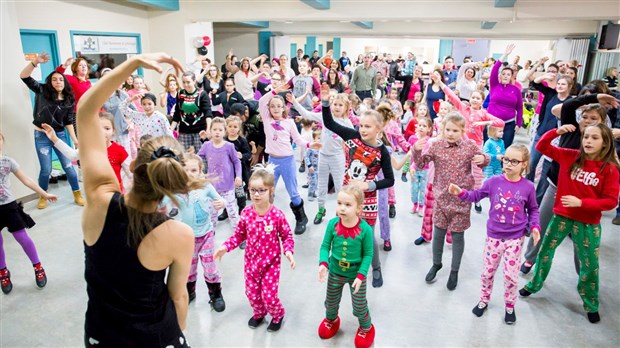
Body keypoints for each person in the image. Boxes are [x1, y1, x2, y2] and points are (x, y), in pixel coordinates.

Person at [77, 52, 195, 347]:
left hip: (101, 335)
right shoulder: (179, 234)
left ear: (132, 166)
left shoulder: (98, 200)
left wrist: (131, 64)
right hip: (154, 338)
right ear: (171, 184)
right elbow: (178, 296)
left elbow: (85, 110)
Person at [520, 124, 620, 324]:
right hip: (561, 217)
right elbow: (542, 146)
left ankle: (590, 303)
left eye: (594, 138)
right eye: (586, 137)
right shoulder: (570, 156)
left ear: (605, 142)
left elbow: (611, 201)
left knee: (590, 265)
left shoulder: (609, 169)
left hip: (588, 223)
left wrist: (582, 203)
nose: (588, 141)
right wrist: (556, 132)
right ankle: (534, 285)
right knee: (545, 252)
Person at [449, 144, 540, 325]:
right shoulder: (493, 182)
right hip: (494, 237)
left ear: (524, 164)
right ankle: (484, 299)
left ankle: (510, 305)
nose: (508, 164)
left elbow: (533, 209)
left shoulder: (528, 187)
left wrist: (535, 227)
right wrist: (461, 193)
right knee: (488, 272)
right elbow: (475, 196)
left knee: (511, 276)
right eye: (506, 159)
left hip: (515, 238)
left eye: (514, 161)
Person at [321, 83, 395, 288]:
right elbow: (329, 123)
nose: (362, 129)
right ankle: (343, 271)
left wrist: (368, 185)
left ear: (379, 129)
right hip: (347, 198)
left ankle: (376, 268)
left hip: (367, 202)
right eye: (361, 125)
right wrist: (325, 102)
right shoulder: (352, 136)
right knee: (343, 231)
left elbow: (390, 180)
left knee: (367, 238)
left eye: (367, 126)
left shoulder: (383, 152)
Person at [413, 112, 489, 290]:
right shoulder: (436, 145)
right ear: (442, 129)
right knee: (438, 234)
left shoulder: (470, 145)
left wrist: (483, 159)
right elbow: (422, 164)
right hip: (441, 197)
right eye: (448, 129)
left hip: (461, 199)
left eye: (455, 130)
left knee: (457, 235)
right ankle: (436, 263)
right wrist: (416, 149)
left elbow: (484, 159)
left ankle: (454, 271)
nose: (450, 133)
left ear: (462, 130)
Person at [214, 165, 295, 332]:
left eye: (261, 190)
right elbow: (239, 235)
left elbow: (287, 235)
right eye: (252, 190)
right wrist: (225, 247)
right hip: (251, 263)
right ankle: (259, 313)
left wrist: (288, 251)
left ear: (270, 190)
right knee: (252, 293)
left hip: (271, 264)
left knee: (269, 296)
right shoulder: (246, 213)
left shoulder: (276, 215)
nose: (256, 194)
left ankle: (277, 314)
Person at [160, 153, 226, 311]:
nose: (189, 174)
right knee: (189, 268)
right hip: (188, 238)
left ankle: (215, 293)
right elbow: (161, 204)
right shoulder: (176, 190)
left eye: (194, 170)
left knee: (210, 267)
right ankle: (190, 291)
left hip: (207, 234)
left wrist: (221, 203)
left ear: (200, 171)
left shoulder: (205, 186)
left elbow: (219, 199)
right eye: (185, 170)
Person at [19, 52, 84, 209]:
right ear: (50, 82)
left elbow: (69, 122)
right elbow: (24, 76)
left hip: (59, 136)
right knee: (46, 169)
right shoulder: (42, 91)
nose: (58, 81)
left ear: (65, 82)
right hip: (41, 136)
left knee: (68, 166)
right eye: (54, 79)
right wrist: (35, 62)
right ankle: (43, 195)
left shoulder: (69, 99)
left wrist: (75, 140)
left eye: (61, 79)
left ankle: (77, 193)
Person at [317, 185, 375, 348]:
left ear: (358, 208)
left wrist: (361, 275)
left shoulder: (365, 230)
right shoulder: (332, 224)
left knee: (359, 304)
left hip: (356, 275)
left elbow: (368, 254)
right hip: (335, 272)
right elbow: (325, 246)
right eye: (339, 203)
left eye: (348, 205)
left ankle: (366, 327)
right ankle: (331, 319)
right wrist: (323, 263)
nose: (342, 208)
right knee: (331, 301)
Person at [258, 88, 321, 234]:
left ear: (284, 108)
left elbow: (298, 139)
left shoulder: (289, 123)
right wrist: (274, 91)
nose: (275, 109)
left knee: (293, 192)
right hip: (272, 162)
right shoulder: (267, 119)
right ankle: (268, 220)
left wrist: (309, 144)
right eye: (272, 106)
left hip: (287, 161)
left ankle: (301, 219)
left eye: (279, 106)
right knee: (267, 192)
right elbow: (261, 101)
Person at [0, 131, 56, 295]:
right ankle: (3, 272)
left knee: (22, 238)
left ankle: (38, 266)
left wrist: (44, 194)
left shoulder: (8, 162)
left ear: (3, 141)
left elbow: (26, 180)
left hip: (9, 207)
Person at [289, 93, 354, 225]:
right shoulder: (325, 117)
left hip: (337, 158)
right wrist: (294, 102)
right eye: (335, 104)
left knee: (339, 187)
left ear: (346, 107)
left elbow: (353, 142)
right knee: (321, 185)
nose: (337, 107)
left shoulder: (347, 123)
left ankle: (341, 214)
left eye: (340, 105)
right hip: (323, 156)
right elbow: (307, 114)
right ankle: (321, 209)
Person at [197, 117, 242, 235]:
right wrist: (199, 172)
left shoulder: (229, 146)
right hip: (213, 188)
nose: (217, 132)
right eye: (214, 129)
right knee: (212, 213)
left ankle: (239, 235)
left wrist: (239, 176)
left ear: (224, 131)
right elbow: (198, 158)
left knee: (232, 213)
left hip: (228, 186)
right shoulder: (206, 145)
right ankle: (210, 234)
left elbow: (237, 162)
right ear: (210, 131)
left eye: (220, 130)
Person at [487, 44, 523, 148]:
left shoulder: (516, 90)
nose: (506, 76)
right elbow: (495, 68)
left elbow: (519, 108)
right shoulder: (494, 85)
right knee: (490, 149)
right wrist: (505, 54)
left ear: (512, 77)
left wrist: (518, 124)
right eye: (504, 74)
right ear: (500, 75)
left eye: (508, 74)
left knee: (505, 149)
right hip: (492, 123)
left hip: (508, 124)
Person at [171, 71, 212, 152]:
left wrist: (208, 129)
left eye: (188, 82)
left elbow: (207, 112)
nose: (186, 85)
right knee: (183, 156)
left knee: (201, 156)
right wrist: (170, 129)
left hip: (199, 131)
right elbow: (177, 114)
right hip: (184, 131)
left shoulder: (202, 94)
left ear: (194, 81)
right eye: (183, 82)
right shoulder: (180, 93)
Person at [305, 129, 321, 202]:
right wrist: (309, 165)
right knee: (313, 182)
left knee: (316, 182)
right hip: (312, 168)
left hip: (319, 168)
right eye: (318, 138)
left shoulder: (321, 147)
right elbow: (306, 157)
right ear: (314, 138)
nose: (320, 140)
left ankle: (313, 192)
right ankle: (310, 194)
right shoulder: (311, 147)